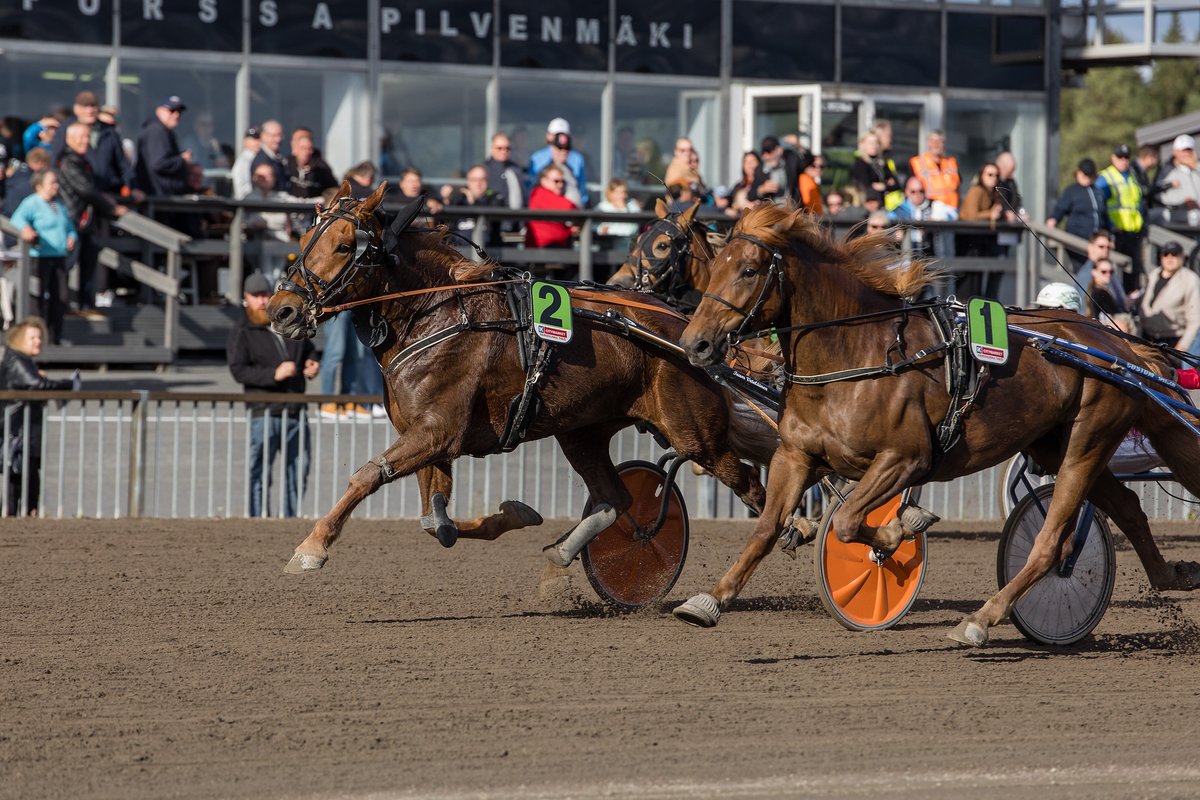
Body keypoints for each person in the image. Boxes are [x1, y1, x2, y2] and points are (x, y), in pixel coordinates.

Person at [226, 272, 319, 517]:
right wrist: (272, 374)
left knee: (297, 472)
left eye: (264, 295)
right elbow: (238, 370)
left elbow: (309, 346)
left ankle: (290, 519)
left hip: (296, 411)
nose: (260, 300)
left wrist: (312, 362)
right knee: (260, 471)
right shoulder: (241, 329)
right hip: (263, 411)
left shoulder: (288, 321)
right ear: (246, 298)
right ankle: (257, 519)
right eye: (255, 296)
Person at [0, 316, 79, 517]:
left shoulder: (22, 361)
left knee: (27, 477)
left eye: (40, 337)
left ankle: (24, 516)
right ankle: (15, 519)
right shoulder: (17, 360)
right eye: (32, 338)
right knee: (19, 478)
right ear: (19, 340)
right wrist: (69, 384)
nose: (38, 341)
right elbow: (36, 384)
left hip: (23, 431)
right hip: (17, 432)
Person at [56, 122, 129, 319]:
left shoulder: (83, 161)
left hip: (86, 221)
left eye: (88, 137)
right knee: (67, 265)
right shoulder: (68, 161)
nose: (85, 141)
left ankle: (85, 305)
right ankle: (63, 306)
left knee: (89, 262)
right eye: (81, 137)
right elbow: (86, 190)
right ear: (69, 139)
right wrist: (111, 207)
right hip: (72, 220)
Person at [8, 169, 76, 345]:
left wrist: (71, 237)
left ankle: (55, 337)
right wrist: (26, 230)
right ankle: (35, 338)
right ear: (39, 186)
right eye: (52, 183)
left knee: (60, 297)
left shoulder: (59, 205)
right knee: (36, 296)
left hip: (58, 256)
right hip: (39, 256)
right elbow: (16, 220)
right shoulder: (32, 203)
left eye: (56, 182)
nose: (56, 186)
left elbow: (69, 227)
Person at [1096, 144, 1146, 295]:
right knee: (1114, 268)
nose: (1123, 161)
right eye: (1120, 158)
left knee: (1133, 270)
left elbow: (1137, 203)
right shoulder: (1106, 177)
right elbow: (1100, 205)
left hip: (1133, 231)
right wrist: (1109, 227)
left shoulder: (1132, 177)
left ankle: (1129, 298)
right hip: (1115, 231)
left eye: (1126, 158)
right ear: (1113, 158)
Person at [1046, 158, 1110, 267]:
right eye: (1085, 175)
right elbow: (1059, 210)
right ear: (1078, 173)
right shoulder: (1072, 191)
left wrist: (1110, 236)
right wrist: (1052, 221)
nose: (1087, 179)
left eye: (1090, 176)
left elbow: (1104, 217)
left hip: (1096, 243)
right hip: (1077, 241)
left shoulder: (1098, 192)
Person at [1139, 240, 1200, 351]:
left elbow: (1195, 320)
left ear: (1182, 257)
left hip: (1172, 340)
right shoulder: (1154, 275)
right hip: (1148, 337)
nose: (1170, 258)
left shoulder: (1190, 279)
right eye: (1166, 254)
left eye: (1174, 254)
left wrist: (1183, 346)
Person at [135, 96, 191, 198]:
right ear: (159, 111)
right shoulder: (157, 131)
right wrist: (182, 159)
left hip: (162, 195)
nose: (176, 115)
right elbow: (159, 164)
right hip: (159, 197)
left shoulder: (162, 131)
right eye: (172, 110)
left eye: (179, 111)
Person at [888, 176, 957, 258]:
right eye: (913, 191)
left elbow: (954, 214)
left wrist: (936, 220)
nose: (917, 194)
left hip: (933, 254)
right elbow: (885, 223)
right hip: (908, 255)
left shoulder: (935, 205)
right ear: (906, 192)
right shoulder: (900, 210)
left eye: (921, 191)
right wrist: (895, 233)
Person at [528, 118, 588, 207]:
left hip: (571, 210)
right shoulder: (536, 158)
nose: (563, 152)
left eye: (566, 149)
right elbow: (532, 188)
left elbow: (582, 189)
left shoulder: (577, 159)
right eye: (558, 148)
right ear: (548, 136)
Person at [447, 164, 506, 247]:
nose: (478, 183)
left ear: (487, 181)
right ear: (468, 181)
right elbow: (446, 224)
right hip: (458, 254)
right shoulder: (459, 200)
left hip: (487, 253)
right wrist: (446, 200)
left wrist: (472, 202)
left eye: (482, 179)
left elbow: (494, 218)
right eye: (474, 180)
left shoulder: (495, 198)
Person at [958, 162, 1003, 260]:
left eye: (997, 175)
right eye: (990, 174)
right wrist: (990, 214)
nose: (994, 178)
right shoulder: (976, 190)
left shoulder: (995, 193)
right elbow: (971, 216)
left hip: (983, 238)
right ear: (982, 175)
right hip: (968, 238)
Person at [526, 164, 577, 250]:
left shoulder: (545, 195)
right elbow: (570, 208)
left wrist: (569, 230)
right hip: (544, 249)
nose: (560, 185)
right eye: (556, 181)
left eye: (562, 182)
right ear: (544, 181)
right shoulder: (539, 194)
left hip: (554, 247)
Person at [909, 130, 960, 211]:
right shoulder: (917, 163)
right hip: (929, 212)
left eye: (939, 141)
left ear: (943, 144)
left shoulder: (951, 163)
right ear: (928, 143)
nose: (936, 144)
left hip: (951, 212)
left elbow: (958, 186)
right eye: (933, 141)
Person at [1158, 134, 1200, 225]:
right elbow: (1162, 197)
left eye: (1189, 150)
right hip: (1179, 220)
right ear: (1175, 152)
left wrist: (1196, 166)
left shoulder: (1197, 169)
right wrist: (1183, 202)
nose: (1187, 154)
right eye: (1183, 150)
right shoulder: (1168, 171)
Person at [851, 131, 899, 210]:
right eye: (870, 143)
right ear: (863, 144)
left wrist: (883, 186)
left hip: (883, 204)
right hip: (867, 204)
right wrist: (886, 183)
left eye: (876, 143)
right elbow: (864, 185)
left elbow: (896, 184)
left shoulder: (881, 162)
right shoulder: (860, 163)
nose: (874, 146)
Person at [285, 132, 338, 200]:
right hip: (289, 205)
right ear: (295, 150)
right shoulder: (287, 163)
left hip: (313, 207)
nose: (306, 152)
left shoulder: (322, 168)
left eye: (309, 148)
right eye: (303, 148)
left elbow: (333, 190)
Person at [750, 135, 801, 203]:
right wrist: (762, 189)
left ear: (779, 150)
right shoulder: (760, 170)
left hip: (791, 210)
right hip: (772, 211)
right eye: (763, 152)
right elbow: (750, 195)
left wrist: (798, 146)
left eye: (769, 151)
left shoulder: (790, 162)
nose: (766, 156)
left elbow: (808, 161)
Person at [484, 132, 525, 211]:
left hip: (517, 217)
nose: (504, 151)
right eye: (499, 148)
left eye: (507, 148)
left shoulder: (516, 169)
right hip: (494, 217)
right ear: (492, 148)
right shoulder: (485, 170)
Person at [870, 119, 905, 211]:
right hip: (882, 208)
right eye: (888, 136)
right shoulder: (869, 161)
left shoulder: (887, 157)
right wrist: (887, 184)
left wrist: (885, 185)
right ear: (879, 138)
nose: (891, 139)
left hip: (895, 208)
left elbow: (896, 183)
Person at [251, 120, 288, 192]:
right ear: (263, 136)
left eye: (280, 135)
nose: (278, 139)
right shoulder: (261, 161)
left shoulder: (277, 158)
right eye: (273, 136)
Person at [231, 127, 261, 200]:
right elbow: (242, 189)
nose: (257, 142)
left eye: (259, 138)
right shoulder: (244, 161)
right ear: (245, 141)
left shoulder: (257, 158)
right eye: (253, 139)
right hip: (249, 203)